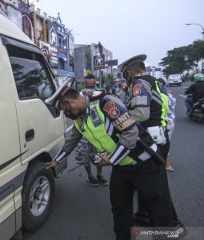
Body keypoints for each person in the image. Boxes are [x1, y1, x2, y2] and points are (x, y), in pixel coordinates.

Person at [46, 86, 177, 240]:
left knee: (159, 210)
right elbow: (71, 140)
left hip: (145, 163)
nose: (66, 114)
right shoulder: (80, 119)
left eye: (64, 109)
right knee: (119, 207)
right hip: (121, 166)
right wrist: (57, 159)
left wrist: (112, 159)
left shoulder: (106, 103)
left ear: (69, 102)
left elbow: (130, 132)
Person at [118, 55, 181, 228]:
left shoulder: (138, 84)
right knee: (151, 182)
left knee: (157, 187)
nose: (126, 79)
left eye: (125, 75)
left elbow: (140, 114)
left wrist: (121, 120)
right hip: (161, 134)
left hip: (150, 138)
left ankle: (171, 223)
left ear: (130, 73)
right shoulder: (156, 82)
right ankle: (145, 214)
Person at [75, 74, 108, 186]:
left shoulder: (99, 95)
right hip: (84, 133)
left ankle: (99, 175)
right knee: (85, 156)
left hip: (98, 132)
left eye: (92, 86)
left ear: (95, 85)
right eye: (87, 86)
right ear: (84, 85)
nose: (90, 88)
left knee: (100, 155)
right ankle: (90, 176)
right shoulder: (77, 97)